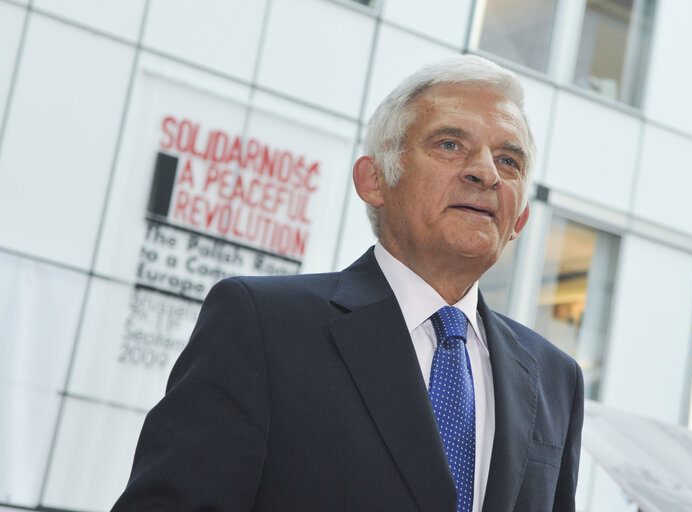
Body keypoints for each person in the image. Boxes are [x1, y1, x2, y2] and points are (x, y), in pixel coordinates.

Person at [112, 54, 583, 512]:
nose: (486, 173)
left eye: (509, 160)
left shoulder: (556, 379)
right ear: (374, 181)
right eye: (449, 145)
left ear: (519, 217)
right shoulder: (262, 325)